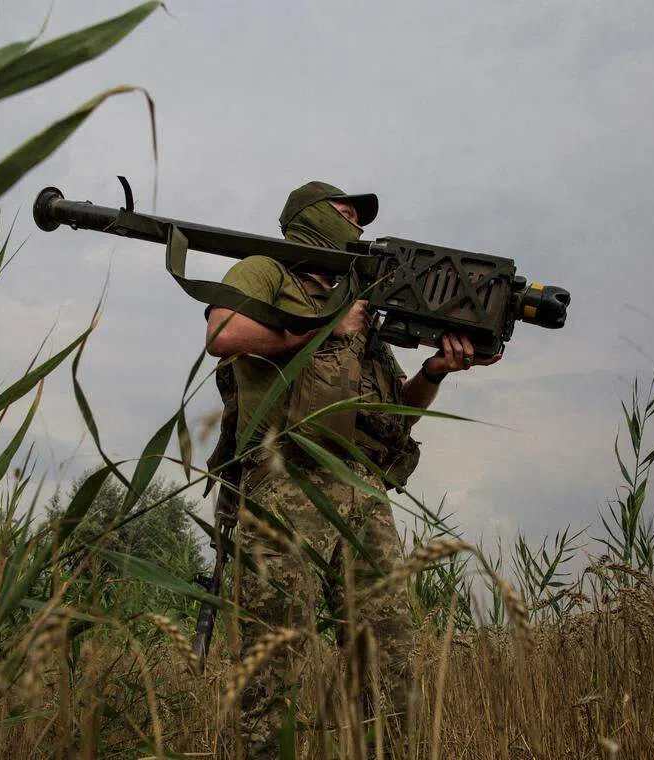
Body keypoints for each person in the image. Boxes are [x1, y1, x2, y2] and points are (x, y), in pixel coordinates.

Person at [203, 181, 500, 756]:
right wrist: (323, 328)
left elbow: (395, 415)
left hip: (363, 491)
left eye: (360, 218)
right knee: (274, 658)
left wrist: (434, 372)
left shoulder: (363, 303)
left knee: (390, 658)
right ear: (308, 218)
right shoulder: (267, 270)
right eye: (344, 213)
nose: (357, 225)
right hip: (286, 482)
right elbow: (222, 333)